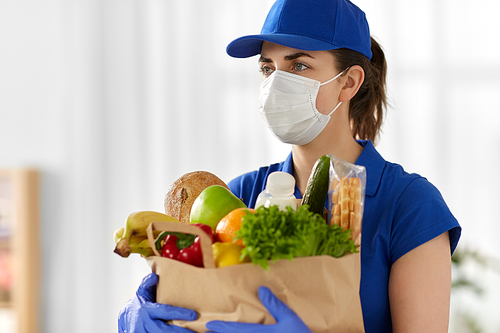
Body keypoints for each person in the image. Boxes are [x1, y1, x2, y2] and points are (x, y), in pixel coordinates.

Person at [118, 0, 462, 332]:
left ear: (349, 82)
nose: (275, 84)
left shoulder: (411, 206)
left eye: (299, 66)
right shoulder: (236, 196)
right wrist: (139, 317)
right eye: (268, 67)